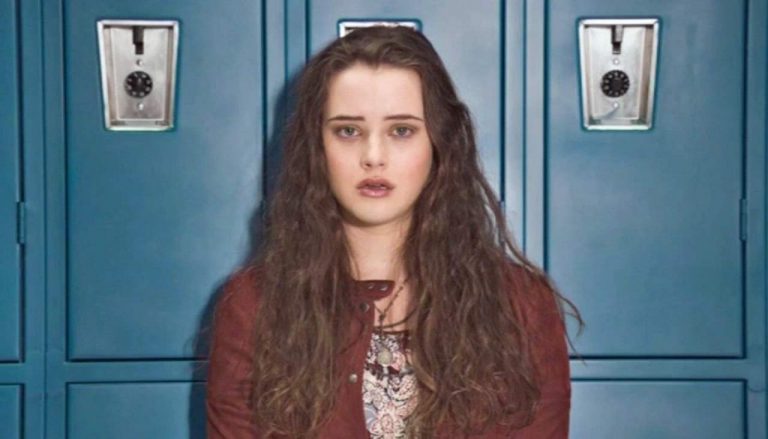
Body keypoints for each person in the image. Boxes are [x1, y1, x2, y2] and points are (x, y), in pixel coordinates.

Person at [206, 25, 581, 438]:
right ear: (316, 147)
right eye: (348, 131)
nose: (373, 156)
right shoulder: (254, 305)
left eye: (401, 130)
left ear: (438, 144)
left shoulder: (521, 305)